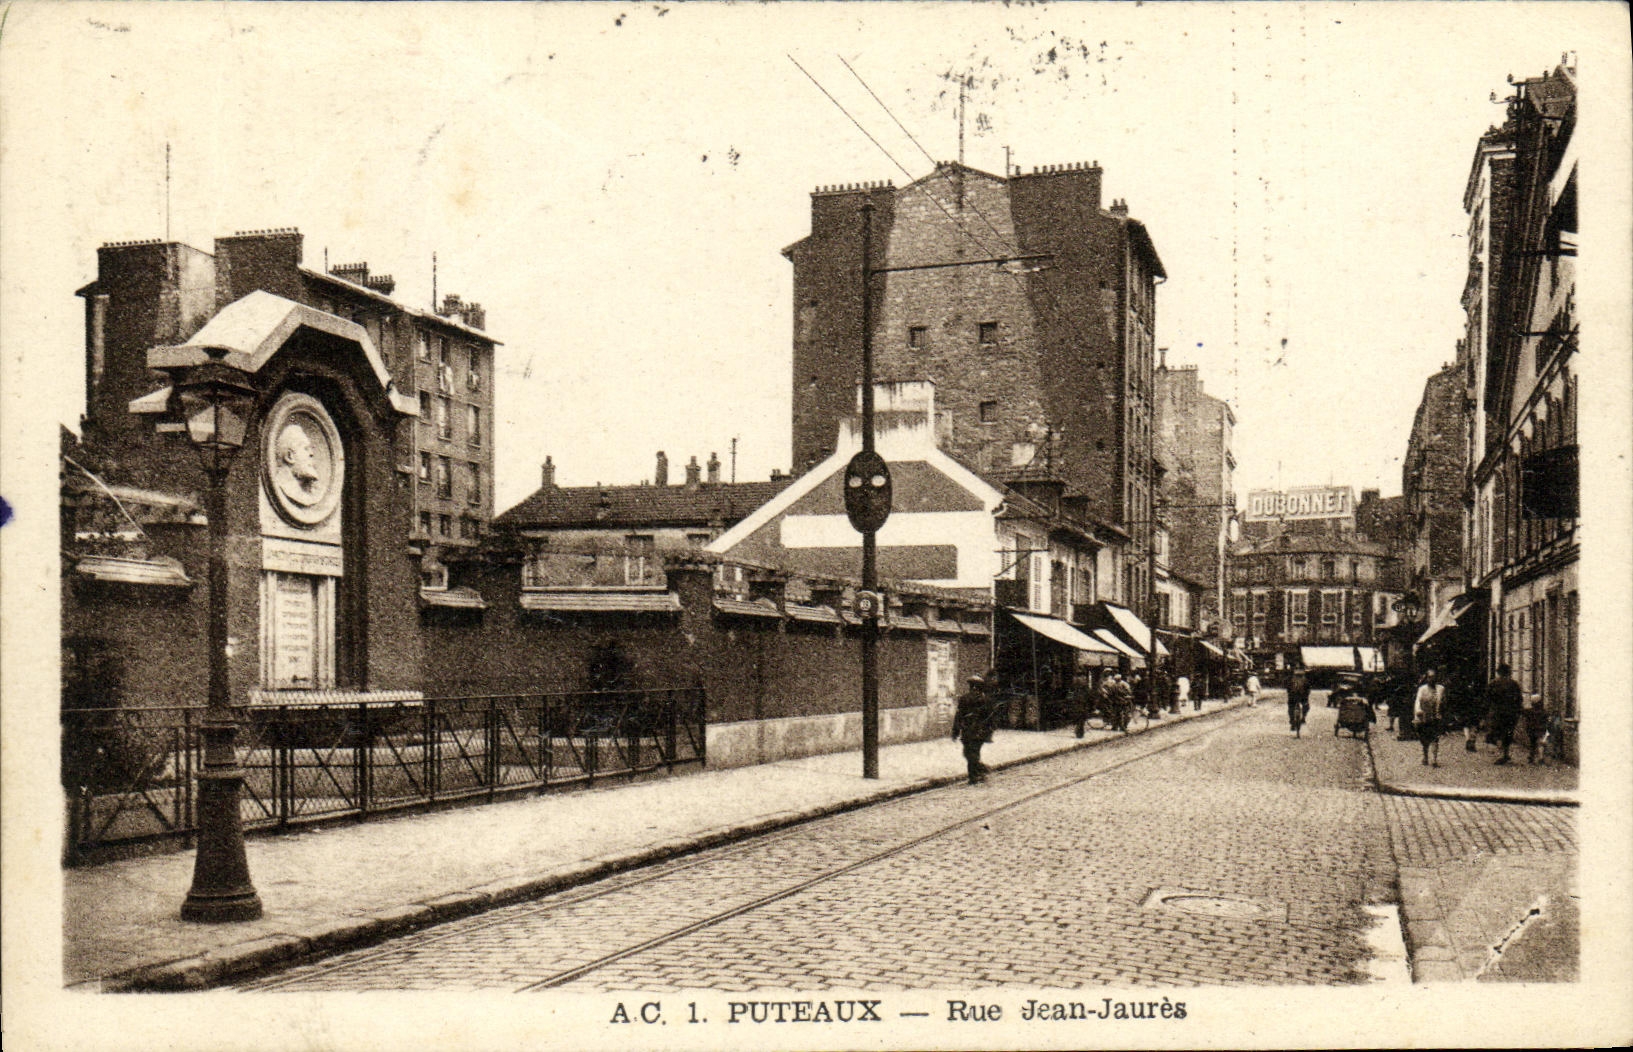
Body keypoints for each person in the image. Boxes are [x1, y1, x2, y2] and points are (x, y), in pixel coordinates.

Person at [952, 671, 999, 785]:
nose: (973, 688)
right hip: (971, 731)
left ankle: (974, 776)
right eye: (972, 686)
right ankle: (980, 770)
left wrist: (956, 731)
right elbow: (959, 715)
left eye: (975, 686)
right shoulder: (965, 699)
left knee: (971, 752)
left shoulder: (985, 700)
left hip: (976, 731)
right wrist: (956, 730)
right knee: (969, 753)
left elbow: (991, 717)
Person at [1486, 663, 1523, 765]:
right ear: (1508, 672)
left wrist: (1487, 713)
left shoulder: (1493, 684)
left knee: (1497, 733)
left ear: (1498, 672)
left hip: (1497, 713)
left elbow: (1488, 699)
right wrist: (1518, 712)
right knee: (1508, 733)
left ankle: (1501, 755)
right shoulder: (1514, 684)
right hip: (1511, 713)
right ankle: (1505, 754)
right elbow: (1519, 699)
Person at [1413, 668, 1446, 767]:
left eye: (1434, 677)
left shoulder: (1441, 689)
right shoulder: (1422, 689)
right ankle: (1425, 756)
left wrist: (1443, 715)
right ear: (1426, 678)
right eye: (1430, 677)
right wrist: (1418, 712)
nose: (1432, 679)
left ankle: (1434, 760)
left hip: (1436, 717)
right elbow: (1418, 701)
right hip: (1424, 717)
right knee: (1424, 739)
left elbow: (1444, 702)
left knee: (1435, 738)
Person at [1521, 689, 1548, 765]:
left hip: (1531, 729)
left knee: (1532, 743)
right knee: (1541, 743)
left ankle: (1531, 757)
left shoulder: (1529, 711)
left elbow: (1522, 712)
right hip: (1541, 729)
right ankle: (1541, 757)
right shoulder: (1543, 711)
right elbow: (1546, 718)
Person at [1071, 667, 1095, 739]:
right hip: (1083, 700)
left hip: (1076, 700)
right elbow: (1087, 690)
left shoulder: (1074, 679)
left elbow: (1072, 689)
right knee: (1082, 716)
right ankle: (1079, 732)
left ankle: (1078, 731)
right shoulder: (1084, 679)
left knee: (1078, 716)